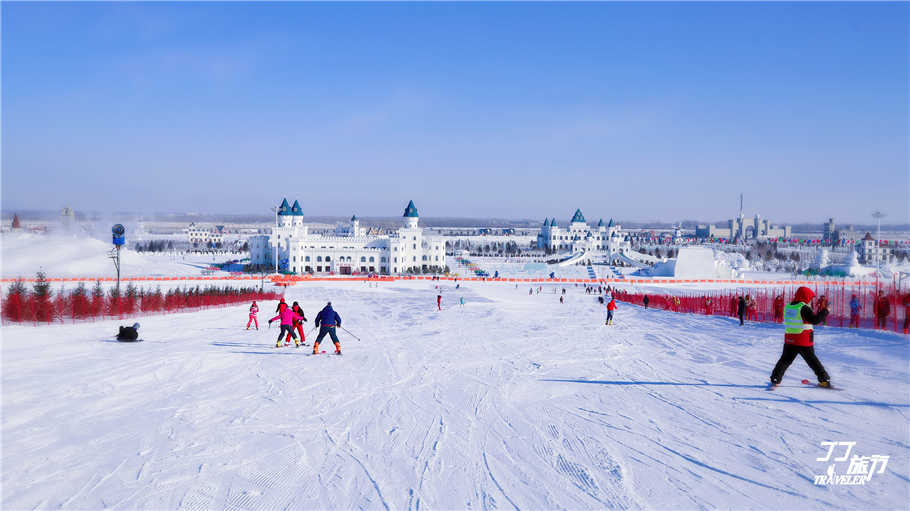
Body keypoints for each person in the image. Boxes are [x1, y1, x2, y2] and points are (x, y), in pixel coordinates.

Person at [770, 286, 832, 388]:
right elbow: (815, 320)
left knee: (785, 360)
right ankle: (824, 380)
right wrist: (826, 311)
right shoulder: (803, 307)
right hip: (803, 339)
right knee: (812, 361)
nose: (810, 300)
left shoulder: (789, 306)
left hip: (790, 339)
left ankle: (775, 379)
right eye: (810, 297)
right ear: (805, 296)